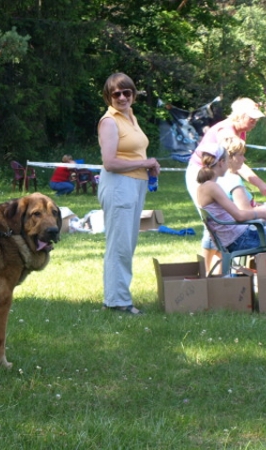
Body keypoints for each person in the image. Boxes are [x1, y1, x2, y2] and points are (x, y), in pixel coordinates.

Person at [97, 73, 160, 315]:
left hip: (135, 185)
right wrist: (145, 163)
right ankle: (118, 302)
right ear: (108, 97)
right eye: (116, 94)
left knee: (127, 244)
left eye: (127, 92)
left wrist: (148, 165)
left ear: (133, 94)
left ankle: (115, 297)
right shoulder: (109, 122)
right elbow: (110, 162)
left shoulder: (130, 116)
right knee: (120, 245)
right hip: (118, 186)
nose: (122, 97)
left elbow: (133, 155)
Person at [185, 97, 266, 270]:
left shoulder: (216, 183)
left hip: (236, 235)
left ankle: (218, 271)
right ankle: (211, 271)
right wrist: (262, 196)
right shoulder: (225, 178)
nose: (255, 121)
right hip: (241, 238)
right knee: (214, 223)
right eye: (251, 117)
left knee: (216, 219)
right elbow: (242, 214)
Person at [196, 144, 266, 252]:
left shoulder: (204, 186)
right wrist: (261, 213)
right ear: (221, 162)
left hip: (236, 238)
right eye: (227, 161)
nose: (228, 165)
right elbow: (239, 216)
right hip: (242, 240)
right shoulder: (212, 187)